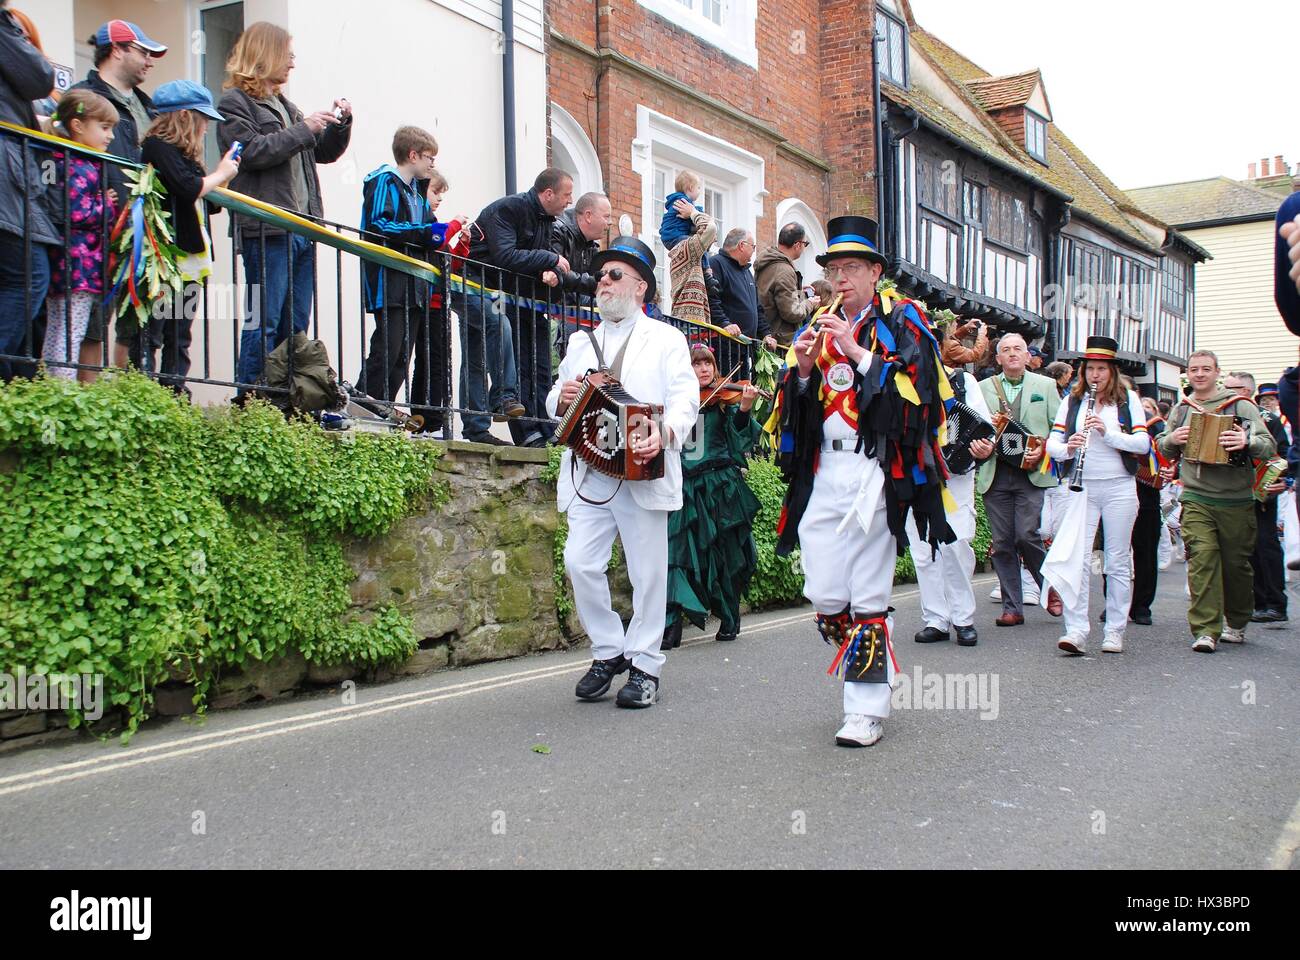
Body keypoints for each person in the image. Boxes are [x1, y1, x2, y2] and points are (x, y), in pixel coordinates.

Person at [772, 215, 954, 748]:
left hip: (877, 469)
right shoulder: (816, 326)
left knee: (869, 593)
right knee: (825, 594)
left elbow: (919, 397)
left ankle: (865, 709)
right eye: (834, 267)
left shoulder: (905, 321)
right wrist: (802, 373)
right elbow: (792, 414)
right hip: (824, 472)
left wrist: (857, 352)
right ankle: (876, 659)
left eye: (852, 267)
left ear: (876, 272)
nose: (841, 277)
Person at [546, 237, 698, 708]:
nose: (603, 283)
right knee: (579, 562)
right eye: (601, 275)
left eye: (614, 275)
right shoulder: (578, 341)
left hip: (642, 468)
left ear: (640, 288)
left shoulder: (668, 339)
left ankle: (646, 664)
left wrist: (667, 433)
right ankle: (609, 650)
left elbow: (684, 399)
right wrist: (562, 398)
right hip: (590, 469)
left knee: (647, 574)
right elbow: (554, 401)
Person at [217, 21, 353, 388]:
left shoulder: (287, 107)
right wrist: (303, 128)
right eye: (288, 54)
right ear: (267, 54)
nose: (292, 63)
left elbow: (320, 152)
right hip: (268, 227)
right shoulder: (235, 103)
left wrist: (340, 126)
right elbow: (251, 152)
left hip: (303, 228)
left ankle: (287, 398)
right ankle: (251, 399)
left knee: (295, 324)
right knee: (264, 320)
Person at [118, 81, 240, 394]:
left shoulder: (186, 154)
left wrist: (221, 178)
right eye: (203, 119)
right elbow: (188, 189)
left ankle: (174, 393)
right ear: (185, 115)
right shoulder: (158, 146)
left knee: (179, 336)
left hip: (190, 261)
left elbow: (205, 200)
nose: (205, 128)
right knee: (152, 333)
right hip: (163, 259)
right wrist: (220, 174)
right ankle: (143, 395)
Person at [1157, 351, 1275, 653]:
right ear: (1188, 374)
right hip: (1197, 496)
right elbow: (1163, 447)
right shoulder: (1183, 409)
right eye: (1194, 369)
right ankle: (1206, 630)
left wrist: (1246, 442)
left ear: (1217, 373)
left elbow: (1268, 446)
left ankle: (1236, 621)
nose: (1199, 374)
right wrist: (1174, 440)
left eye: (1205, 369)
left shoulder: (1241, 406)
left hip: (1236, 499)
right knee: (1202, 559)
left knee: (1236, 566)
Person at [1041, 337, 1150, 654]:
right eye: (1090, 369)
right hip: (1082, 486)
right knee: (1079, 558)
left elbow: (1143, 445)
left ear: (1112, 371)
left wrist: (1108, 432)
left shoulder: (1127, 400)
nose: (1095, 375)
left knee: (1116, 560)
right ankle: (1076, 630)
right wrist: (1069, 446)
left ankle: (1114, 629)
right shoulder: (1072, 401)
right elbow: (1053, 445)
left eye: (1102, 369)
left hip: (1119, 486)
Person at [662, 344, 762, 650]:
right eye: (696, 364)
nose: (703, 369)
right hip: (685, 486)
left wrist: (744, 409)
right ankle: (670, 626)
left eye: (708, 364)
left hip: (719, 485)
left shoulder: (723, 401)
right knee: (676, 556)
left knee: (725, 554)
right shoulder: (677, 402)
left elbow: (740, 437)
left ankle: (729, 617)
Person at [463, 167, 573, 446]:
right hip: (476, 284)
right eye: (566, 195)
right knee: (486, 343)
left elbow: (545, 263)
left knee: (484, 351)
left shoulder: (546, 220)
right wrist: (549, 260)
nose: (569, 201)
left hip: (506, 293)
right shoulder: (509, 209)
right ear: (548, 194)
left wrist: (552, 271)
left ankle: (485, 423)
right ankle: (501, 400)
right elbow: (506, 256)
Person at [355, 126, 463, 405]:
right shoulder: (385, 182)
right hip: (388, 279)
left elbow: (428, 232)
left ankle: (382, 407)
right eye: (430, 157)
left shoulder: (417, 193)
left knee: (403, 354)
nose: (432, 164)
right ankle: (360, 404)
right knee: (387, 347)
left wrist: (436, 235)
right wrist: (426, 233)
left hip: (414, 284)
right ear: (413, 155)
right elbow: (379, 224)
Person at [908, 331, 995, 647]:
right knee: (922, 549)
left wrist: (984, 447)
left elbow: (985, 429)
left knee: (955, 544)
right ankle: (935, 619)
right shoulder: (898, 380)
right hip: (916, 474)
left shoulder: (962, 383)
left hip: (955, 473)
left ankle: (963, 618)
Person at [977, 333, 1063, 626]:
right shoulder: (982, 388)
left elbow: (1058, 429)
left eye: (1018, 349)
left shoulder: (1047, 386)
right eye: (1005, 350)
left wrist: (1044, 447)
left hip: (1032, 473)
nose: (1012, 354)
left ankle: (1048, 587)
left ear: (1028, 356)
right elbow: (971, 430)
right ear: (998, 358)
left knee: (1027, 534)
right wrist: (979, 445)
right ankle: (1012, 607)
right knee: (1001, 542)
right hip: (995, 472)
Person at [39, 91, 117, 381]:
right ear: (77, 126)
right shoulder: (78, 164)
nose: (109, 136)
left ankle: (51, 384)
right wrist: (106, 205)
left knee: (60, 326)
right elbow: (75, 212)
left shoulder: (65, 160)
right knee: (71, 328)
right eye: (104, 128)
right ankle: (63, 388)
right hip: (79, 263)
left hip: (69, 261)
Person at [0, 0, 55, 382]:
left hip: (14, 177)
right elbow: (39, 77)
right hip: (8, 178)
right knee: (29, 276)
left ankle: (18, 389)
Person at [1221, 372, 1290, 623]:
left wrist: (1282, 480)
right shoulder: (1222, 415)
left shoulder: (1268, 418)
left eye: (1232, 388)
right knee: (1243, 549)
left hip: (1261, 489)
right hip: (1232, 491)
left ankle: (1275, 603)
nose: (1226, 392)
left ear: (1247, 390)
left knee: (1265, 545)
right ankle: (1256, 601)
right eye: (1224, 387)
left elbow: (1283, 453)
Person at [411, 170, 472, 436]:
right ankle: (426, 420)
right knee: (427, 362)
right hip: (426, 302)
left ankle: (430, 419)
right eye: (435, 192)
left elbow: (448, 265)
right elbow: (436, 242)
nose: (438, 199)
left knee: (437, 362)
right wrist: (456, 225)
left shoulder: (435, 225)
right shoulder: (427, 226)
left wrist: (462, 247)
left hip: (438, 303)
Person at [1129, 395, 1168, 622]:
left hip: (1146, 495)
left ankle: (1142, 606)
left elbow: (1168, 455)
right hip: (1112, 492)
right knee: (1110, 553)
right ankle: (1112, 600)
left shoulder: (1155, 424)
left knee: (1145, 552)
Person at [709, 229, 777, 350]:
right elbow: (712, 300)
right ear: (741, 245)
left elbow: (757, 307)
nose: (754, 250)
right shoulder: (716, 264)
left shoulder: (746, 271)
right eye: (753, 246)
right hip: (725, 346)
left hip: (746, 347)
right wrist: (724, 323)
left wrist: (766, 334)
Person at [755, 223, 820, 345]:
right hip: (779, 342)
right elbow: (791, 312)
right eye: (805, 244)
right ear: (797, 244)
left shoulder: (769, 262)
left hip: (768, 335)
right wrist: (810, 303)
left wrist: (798, 292)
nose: (804, 248)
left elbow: (774, 297)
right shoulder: (784, 270)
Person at [667, 202, 717, 326]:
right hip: (689, 326)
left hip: (689, 324)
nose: (715, 239)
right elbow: (710, 228)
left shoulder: (688, 254)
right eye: (715, 236)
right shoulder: (688, 249)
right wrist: (693, 212)